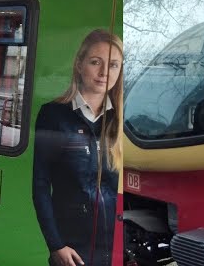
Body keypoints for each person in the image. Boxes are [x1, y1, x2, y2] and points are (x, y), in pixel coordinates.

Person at [33, 30, 122, 266]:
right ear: (80, 64)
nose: (104, 73)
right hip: (72, 249)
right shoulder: (53, 115)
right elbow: (41, 186)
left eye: (113, 65)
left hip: (114, 247)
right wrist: (56, 245)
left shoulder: (123, 121)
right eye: (96, 62)